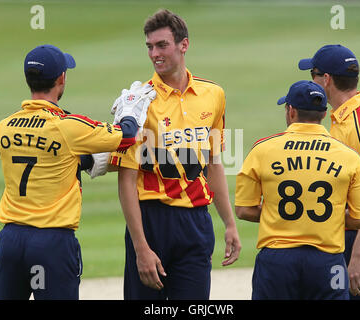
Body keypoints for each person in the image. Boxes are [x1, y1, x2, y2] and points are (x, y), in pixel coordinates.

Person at [0, 44, 155, 300]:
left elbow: (53, 159)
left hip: (10, 241)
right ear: (60, 79)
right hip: (52, 242)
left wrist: (86, 161)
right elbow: (126, 136)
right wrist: (130, 110)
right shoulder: (68, 126)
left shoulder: (5, 127)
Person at [105, 9, 241, 300]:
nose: (154, 53)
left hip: (196, 222)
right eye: (150, 47)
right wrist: (141, 248)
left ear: (184, 45)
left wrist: (229, 223)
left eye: (162, 45)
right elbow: (126, 180)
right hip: (152, 221)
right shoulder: (138, 103)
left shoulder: (213, 95)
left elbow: (213, 164)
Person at [235, 80, 360, 300]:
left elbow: (244, 210)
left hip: (276, 261)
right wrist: (328, 218)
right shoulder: (348, 156)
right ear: (324, 113)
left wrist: (281, 215)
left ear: (291, 111)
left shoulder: (262, 150)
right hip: (327, 261)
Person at [299, 44, 360, 299]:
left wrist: (359, 256)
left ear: (326, 79)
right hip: (346, 237)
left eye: (313, 75)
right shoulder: (342, 118)